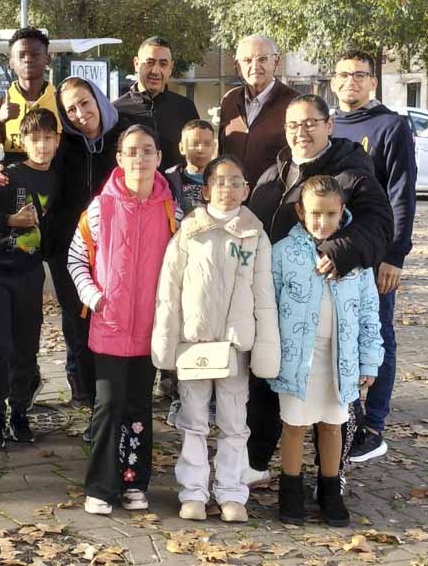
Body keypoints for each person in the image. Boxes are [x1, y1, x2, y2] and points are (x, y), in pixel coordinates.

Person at [246, 95, 394, 489]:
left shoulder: (352, 170)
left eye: (310, 123)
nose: (301, 132)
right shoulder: (276, 171)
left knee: (334, 407)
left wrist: (339, 250)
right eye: (293, 125)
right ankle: (259, 461)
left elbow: (379, 224)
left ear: (329, 125)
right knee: (275, 393)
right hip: (285, 310)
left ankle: (333, 477)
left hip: (335, 310)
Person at [152, 155, 279, 523]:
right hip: (194, 345)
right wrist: (167, 341)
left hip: (234, 348)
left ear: (246, 189)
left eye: (235, 181)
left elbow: (264, 297)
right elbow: (169, 290)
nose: (227, 188)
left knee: (234, 422)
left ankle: (231, 492)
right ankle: (193, 490)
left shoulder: (255, 234)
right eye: (219, 181)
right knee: (192, 421)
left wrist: (266, 349)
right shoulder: (189, 231)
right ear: (205, 189)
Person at [0, 77, 125, 414]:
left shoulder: (122, 140)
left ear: (97, 100)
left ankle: (114, 394)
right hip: (68, 248)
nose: (80, 113)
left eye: (84, 103)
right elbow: (30, 163)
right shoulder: (65, 146)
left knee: (111, 317)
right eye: (71, 109)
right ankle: (82, 393)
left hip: (116, 250)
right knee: (76, 320)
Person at [69, 124, 178, 516]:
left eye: (147, 150)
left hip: (151, 329)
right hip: (110, 327)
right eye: (131, 151)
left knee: (138, 408)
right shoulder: (101, 207)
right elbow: (76, 259)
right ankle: (101, 485)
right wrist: (95, 298)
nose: (139, 158)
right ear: (119, 158)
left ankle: (134, 481)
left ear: (159, 158)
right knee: (108, 405)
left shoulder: (171, 210)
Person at [270, 175, 384, 527]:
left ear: (342, 212)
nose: (323, 222)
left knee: (332, 426)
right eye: (316, 214)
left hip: (340, 361)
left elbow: (368, 312)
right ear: (301, 212)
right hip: (296, 360)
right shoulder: (283, 253)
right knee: (294, 426)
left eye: (331, 214)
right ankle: (290, 491)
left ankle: (330, 491)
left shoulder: (355, 256)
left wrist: (370, 360)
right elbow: (268, 305)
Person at [330, 50, 417, 463]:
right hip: (334, 254)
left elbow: (402, 193)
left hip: (377, 255)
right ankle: (347, 415)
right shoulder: (327, 126)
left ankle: (372, 424)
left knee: (377, 335)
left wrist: (396, 255)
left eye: (360, 75)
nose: (352, 82)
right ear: (333, 82)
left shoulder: (390, 126)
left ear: (372, 83)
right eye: (344, 75)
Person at [0, 108, 59, 450]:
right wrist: (9, 220)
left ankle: (19, 413)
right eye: (35, 139)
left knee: (26, 348)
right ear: (23, 141)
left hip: (30, 272)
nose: (43, 146)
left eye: (49, 138)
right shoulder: (8, 175)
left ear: (57, 141)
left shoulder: (57, 177)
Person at [160, 118, 217, 427]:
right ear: (181, 147)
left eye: (206, 143)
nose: (200, 148)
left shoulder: (221, 177)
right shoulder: (168, 180)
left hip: (214, 269)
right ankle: (178, 395)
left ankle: (211, 398)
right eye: (193, 143)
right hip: (179, 266)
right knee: (179, 331)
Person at [0, 27, 62, 172]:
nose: (28, 59)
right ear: (10, 62)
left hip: (55, 192)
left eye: (35, 54)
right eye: (21, 55)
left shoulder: (63, 104)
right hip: (16, 193)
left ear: (47, 59)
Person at [216, 35, 300, 187]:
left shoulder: (294, 103)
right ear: (237, 66)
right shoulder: (229, 100)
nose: (255, 67)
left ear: (276, 62)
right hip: (232, 198)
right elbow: (222, 152)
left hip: (274, 200)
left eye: (262, 59)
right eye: (247, 60)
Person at [113, 36, 199, 173]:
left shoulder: (185, 108)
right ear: (136, 63)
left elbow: (197, 156)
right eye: (150, 62)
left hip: (175, 193)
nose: (155, 71)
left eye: (163, 64)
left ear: (170, 68)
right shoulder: (115, 111)